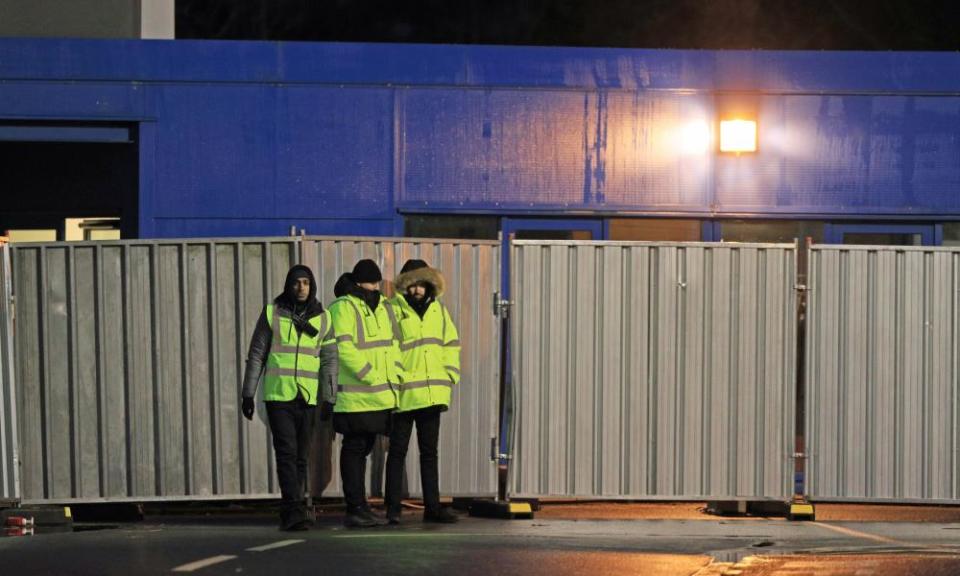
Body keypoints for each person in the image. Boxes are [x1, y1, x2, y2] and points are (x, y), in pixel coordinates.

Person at [241, 264, 337, 531]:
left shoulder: (324, 318)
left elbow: (330, 360)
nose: (301, 287)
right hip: (279, 395)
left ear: (312, 285)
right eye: (296, 282)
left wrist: (329, 398)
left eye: (306, 282)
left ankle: (294, 509)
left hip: (306, 397)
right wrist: (248, 393)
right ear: (288, 285)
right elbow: (257, 353)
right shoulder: (273, 313)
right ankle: (292, 510)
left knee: (301, 456)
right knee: (286, 452)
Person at [326, 259, 404, 528]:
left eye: (377, 281)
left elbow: (391, 346)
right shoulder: (342, 307)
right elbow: (343, 348)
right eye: (372, 281)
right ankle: (355, 507)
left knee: (364, 448)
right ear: (359, 281)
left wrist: (393, 376)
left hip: (378, 394)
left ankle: (361, 506)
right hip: (355, 394)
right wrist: (370, 374)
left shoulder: (382, 306)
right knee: (355, 448)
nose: (376, 285)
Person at [384, 259, 460, 524]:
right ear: (405, 285)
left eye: (421, 284)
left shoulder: (439, 310)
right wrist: (394, 380)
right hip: (404, 393)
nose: (417, 290)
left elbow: (451, 342)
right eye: (412, 284)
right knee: (397, 453)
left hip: (432, 393)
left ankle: (433, 508)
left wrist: (450, 373)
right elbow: (387, 348)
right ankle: (393, 510)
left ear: (428, 284)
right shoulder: (392, 310)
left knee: (429, 454)